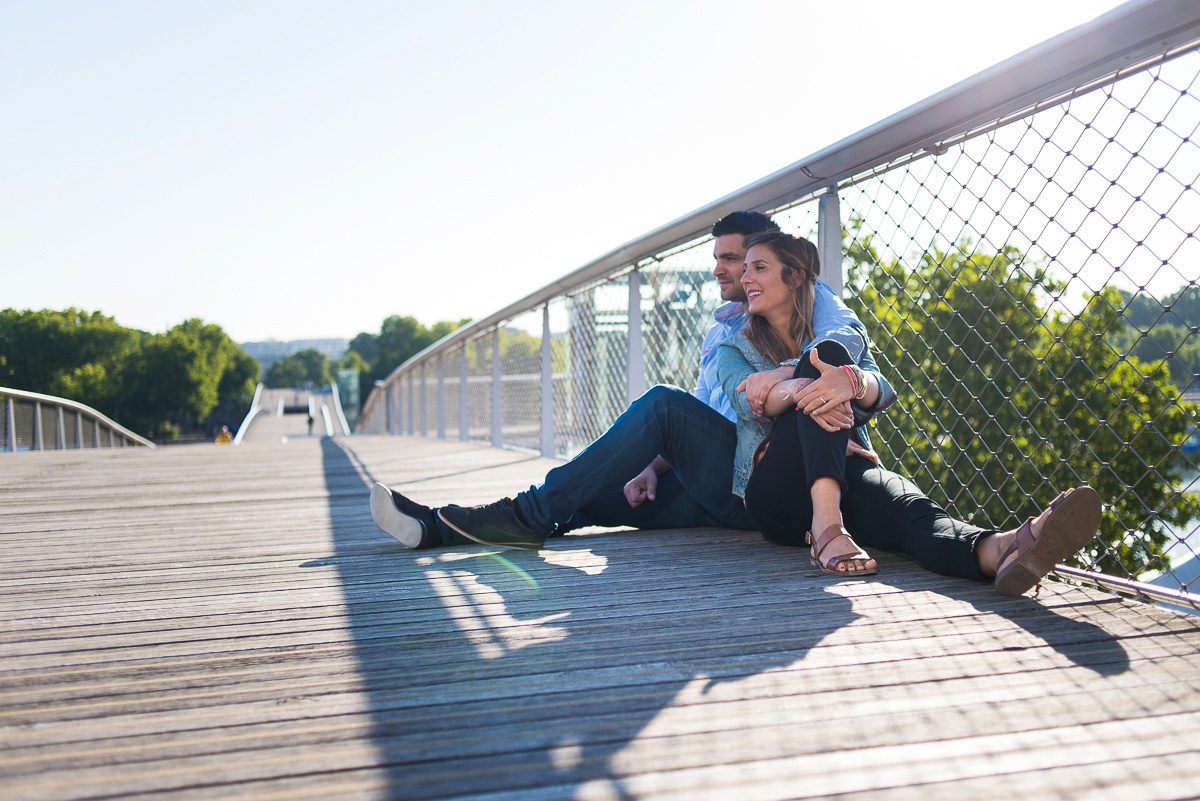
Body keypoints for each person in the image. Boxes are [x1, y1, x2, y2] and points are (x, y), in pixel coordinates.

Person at [369, 211, 867, 550]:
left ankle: (520, 517)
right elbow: (707, 412)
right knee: (595, 495)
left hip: (760, 484)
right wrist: (653, 467)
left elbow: (844, 340)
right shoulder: (724, 327)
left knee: (662, 406)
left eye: (733, 259)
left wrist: (787, 372)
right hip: (716, 479)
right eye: (718, 258)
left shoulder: (810, 296)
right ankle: (442, 528)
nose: (719, 269)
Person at [717, 229, 1102, 595]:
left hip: (843, 473)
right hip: (777, 494)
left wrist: (851, 383)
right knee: (822, 364)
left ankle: (998, 550)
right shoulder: (733, 347)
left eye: (758, 267)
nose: (744, 276)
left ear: (796, 277)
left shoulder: (836, 334)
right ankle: (828, 529)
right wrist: (801, 384)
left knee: (905, 507)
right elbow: (748, 401)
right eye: (745, 267)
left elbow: (881, 389)